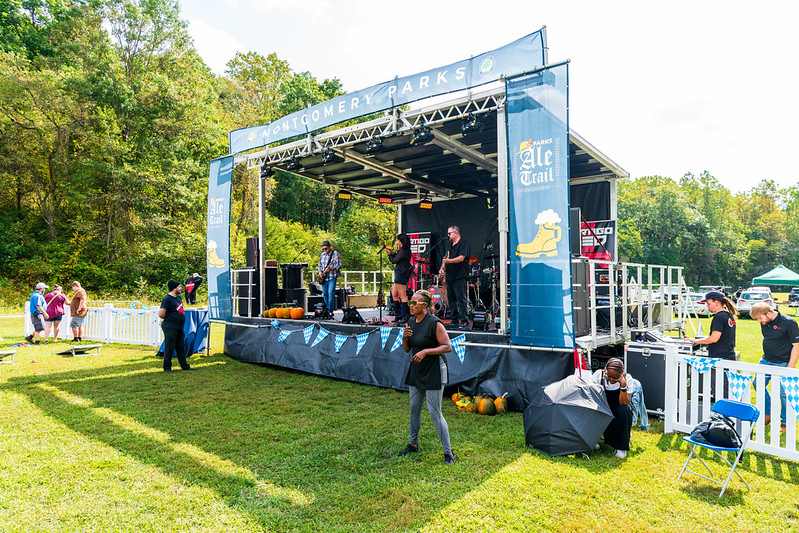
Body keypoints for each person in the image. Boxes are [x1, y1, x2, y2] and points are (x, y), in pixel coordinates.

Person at [399, 290, 456, 465]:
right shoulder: (410, 321)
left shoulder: (435, 323)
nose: (411, 305)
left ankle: (449, 453)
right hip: (417, 369)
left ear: (425, 306)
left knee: (435, 412)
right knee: (414, 408)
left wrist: (426, 351)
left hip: (434, 370)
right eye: (410, 302)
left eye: (415, 303)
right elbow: (407, 349)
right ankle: (413, 444)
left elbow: (447, 347)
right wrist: (404, 338)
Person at [750, 302, 799, 430]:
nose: (759, 321)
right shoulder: (764, 321)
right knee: (757, 383)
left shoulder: (789, 323)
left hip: (783, 362)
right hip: (766, 360)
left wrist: (790, 367)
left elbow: (796, 346)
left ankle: (785, 422)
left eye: (760, 318)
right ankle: (768, 412)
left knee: (783, 392)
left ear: (769, 313)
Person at [591, 357, 634, 459]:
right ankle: (592, 440)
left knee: (625, 411)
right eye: (608, 377)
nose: (611, 380)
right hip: (602, 405)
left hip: (618, 407)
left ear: (621, 373)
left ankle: (621, 448)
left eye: (615, 378)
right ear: (605, 370)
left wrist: (623, 385)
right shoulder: (599, 375)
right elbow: (592, 395)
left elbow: (624, 402)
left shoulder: (627, 378)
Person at [684, 290, 737, 360]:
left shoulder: (719, 317)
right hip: (729, 356)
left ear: (716, 302)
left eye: (709, 303)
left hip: (720, 359)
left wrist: (695, 341)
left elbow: (714, 338)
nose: (707, 306)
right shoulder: (729, 315)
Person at [438, 225, 470, 328]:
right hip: (450, 276)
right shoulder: (450, 245)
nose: (448, 236)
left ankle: (464, 320)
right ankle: (454, 319)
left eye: (449, 233)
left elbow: (461, 258)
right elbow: (445, 257)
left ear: (456, 233)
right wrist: (442, 267)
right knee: (451, 299)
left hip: (459, 275)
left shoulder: (463, 244)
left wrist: (448, 261)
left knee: (461, 298)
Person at [158, 280, 192, 372]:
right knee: (170, 347)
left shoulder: (178, 298)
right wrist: (170, 318)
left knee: (181, 347)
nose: (181, 288)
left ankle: (185, 366)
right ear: (174, 288)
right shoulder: (167, 299)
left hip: (179, 327)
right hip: (170, 326)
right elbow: (161, 313)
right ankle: (167, 367)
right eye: (179, 287)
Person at [388, 234, 412, 325]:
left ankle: (406, 316)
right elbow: (397, 257)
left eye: (398, 240)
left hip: (402, 273)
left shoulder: (404, 250)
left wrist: (390, 253)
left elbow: (394, 260)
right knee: (394, 294)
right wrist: (392, 253)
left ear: (401, 241)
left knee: (402, 295)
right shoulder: (402, 251)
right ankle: (398, 314)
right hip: (399, 272)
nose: (397, 241)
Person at [317, 240, 342, 316]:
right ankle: (327, 310)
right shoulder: (322, 255)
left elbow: (339, 265)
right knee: (325, 294)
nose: (325, 250)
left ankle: (330, 311)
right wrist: (320, 272)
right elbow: (319, 266)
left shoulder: (336, 254)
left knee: (331, 293)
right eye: (323, 249)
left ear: (329, 247)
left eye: (326, 248)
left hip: (332, 277)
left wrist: (331, 269)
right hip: (324, 278)